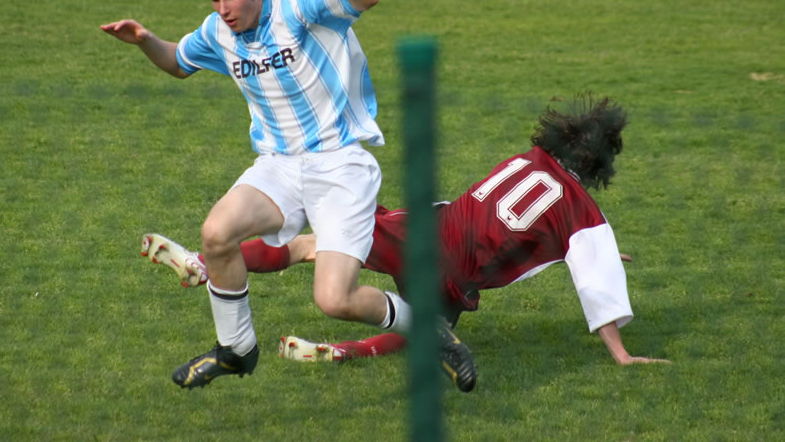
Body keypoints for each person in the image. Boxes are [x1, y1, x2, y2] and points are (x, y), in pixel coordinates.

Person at [103, 0, 476, 392]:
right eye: (215, 0)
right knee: (217, 234)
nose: (224, 10)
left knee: (335, 300)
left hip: (339, 165)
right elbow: (178, 63)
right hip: (279, 166)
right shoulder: (218, 32)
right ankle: (236, 350)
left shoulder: (296, 4)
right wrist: (144, 41)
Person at [144, 95, 671, 369]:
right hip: (455, 275)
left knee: (312, 244)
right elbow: (591, 277)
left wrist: (594, 251)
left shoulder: (527, 158)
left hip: (426, 230)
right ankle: (343, 352)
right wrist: (620, 351)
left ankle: (201, 261)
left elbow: (505, 211)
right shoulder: (583, 211)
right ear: (600, 164)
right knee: (425, 329)